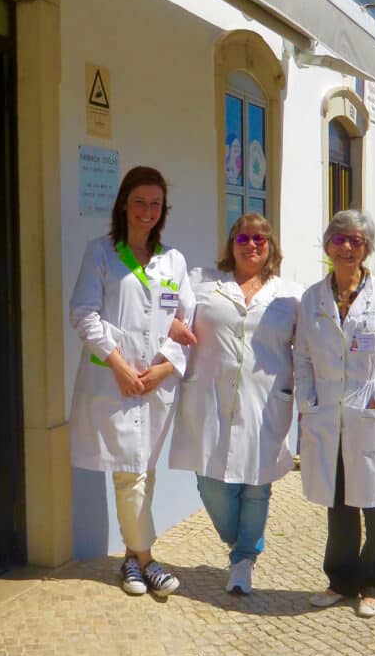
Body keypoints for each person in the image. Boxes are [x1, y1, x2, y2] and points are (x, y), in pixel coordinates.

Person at [69, 165, 195, 597]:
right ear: (124, 202)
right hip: (115, 382)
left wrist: (163, 369)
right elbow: (84, 315)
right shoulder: (101, 253)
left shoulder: (173, 261)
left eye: (155, 203)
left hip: (156, 385)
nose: (147, 211)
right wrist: (121, 366)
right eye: (139, 201)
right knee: (129, 472)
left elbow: (186, 323)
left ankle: (128, 560)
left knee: (144, 469)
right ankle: (147, 558)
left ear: (163, 210)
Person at [294, 209, 375, 618]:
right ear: (327, 246)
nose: (347, 247)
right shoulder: (312, 299)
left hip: (371, 418)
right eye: (339, 239)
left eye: (356, 241)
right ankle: (341, 581)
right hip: (329, 419)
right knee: (340, 507)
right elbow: (303, 359)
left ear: (366, 249)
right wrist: (307, 403)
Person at [169, 213, 301, 595]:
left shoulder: (290, 294)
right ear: (232, 244)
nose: (252, 245)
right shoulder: (202, 283)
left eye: (260, 239)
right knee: (210, 481)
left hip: (266, 399)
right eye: (243, 238)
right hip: (208, 397)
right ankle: (238, 541)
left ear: (271, 246)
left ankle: (244, 559)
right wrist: (171, 327)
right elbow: (161, 309)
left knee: (257, 484)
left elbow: (308, 347)